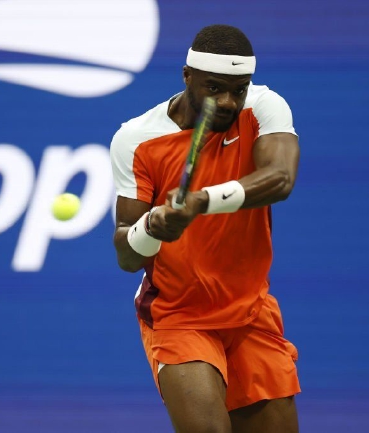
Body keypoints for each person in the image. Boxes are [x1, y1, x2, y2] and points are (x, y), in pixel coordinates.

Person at [110, 24, 301, 433]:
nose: (228, 102)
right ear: (187, 76)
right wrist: (153, 226)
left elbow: (281, 178)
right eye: (214, 88)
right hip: (179, 315)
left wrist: (202, 201)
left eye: (238, 90)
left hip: (250, 311)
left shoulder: (264, 107)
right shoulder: (136, 139)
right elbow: (127, 254)